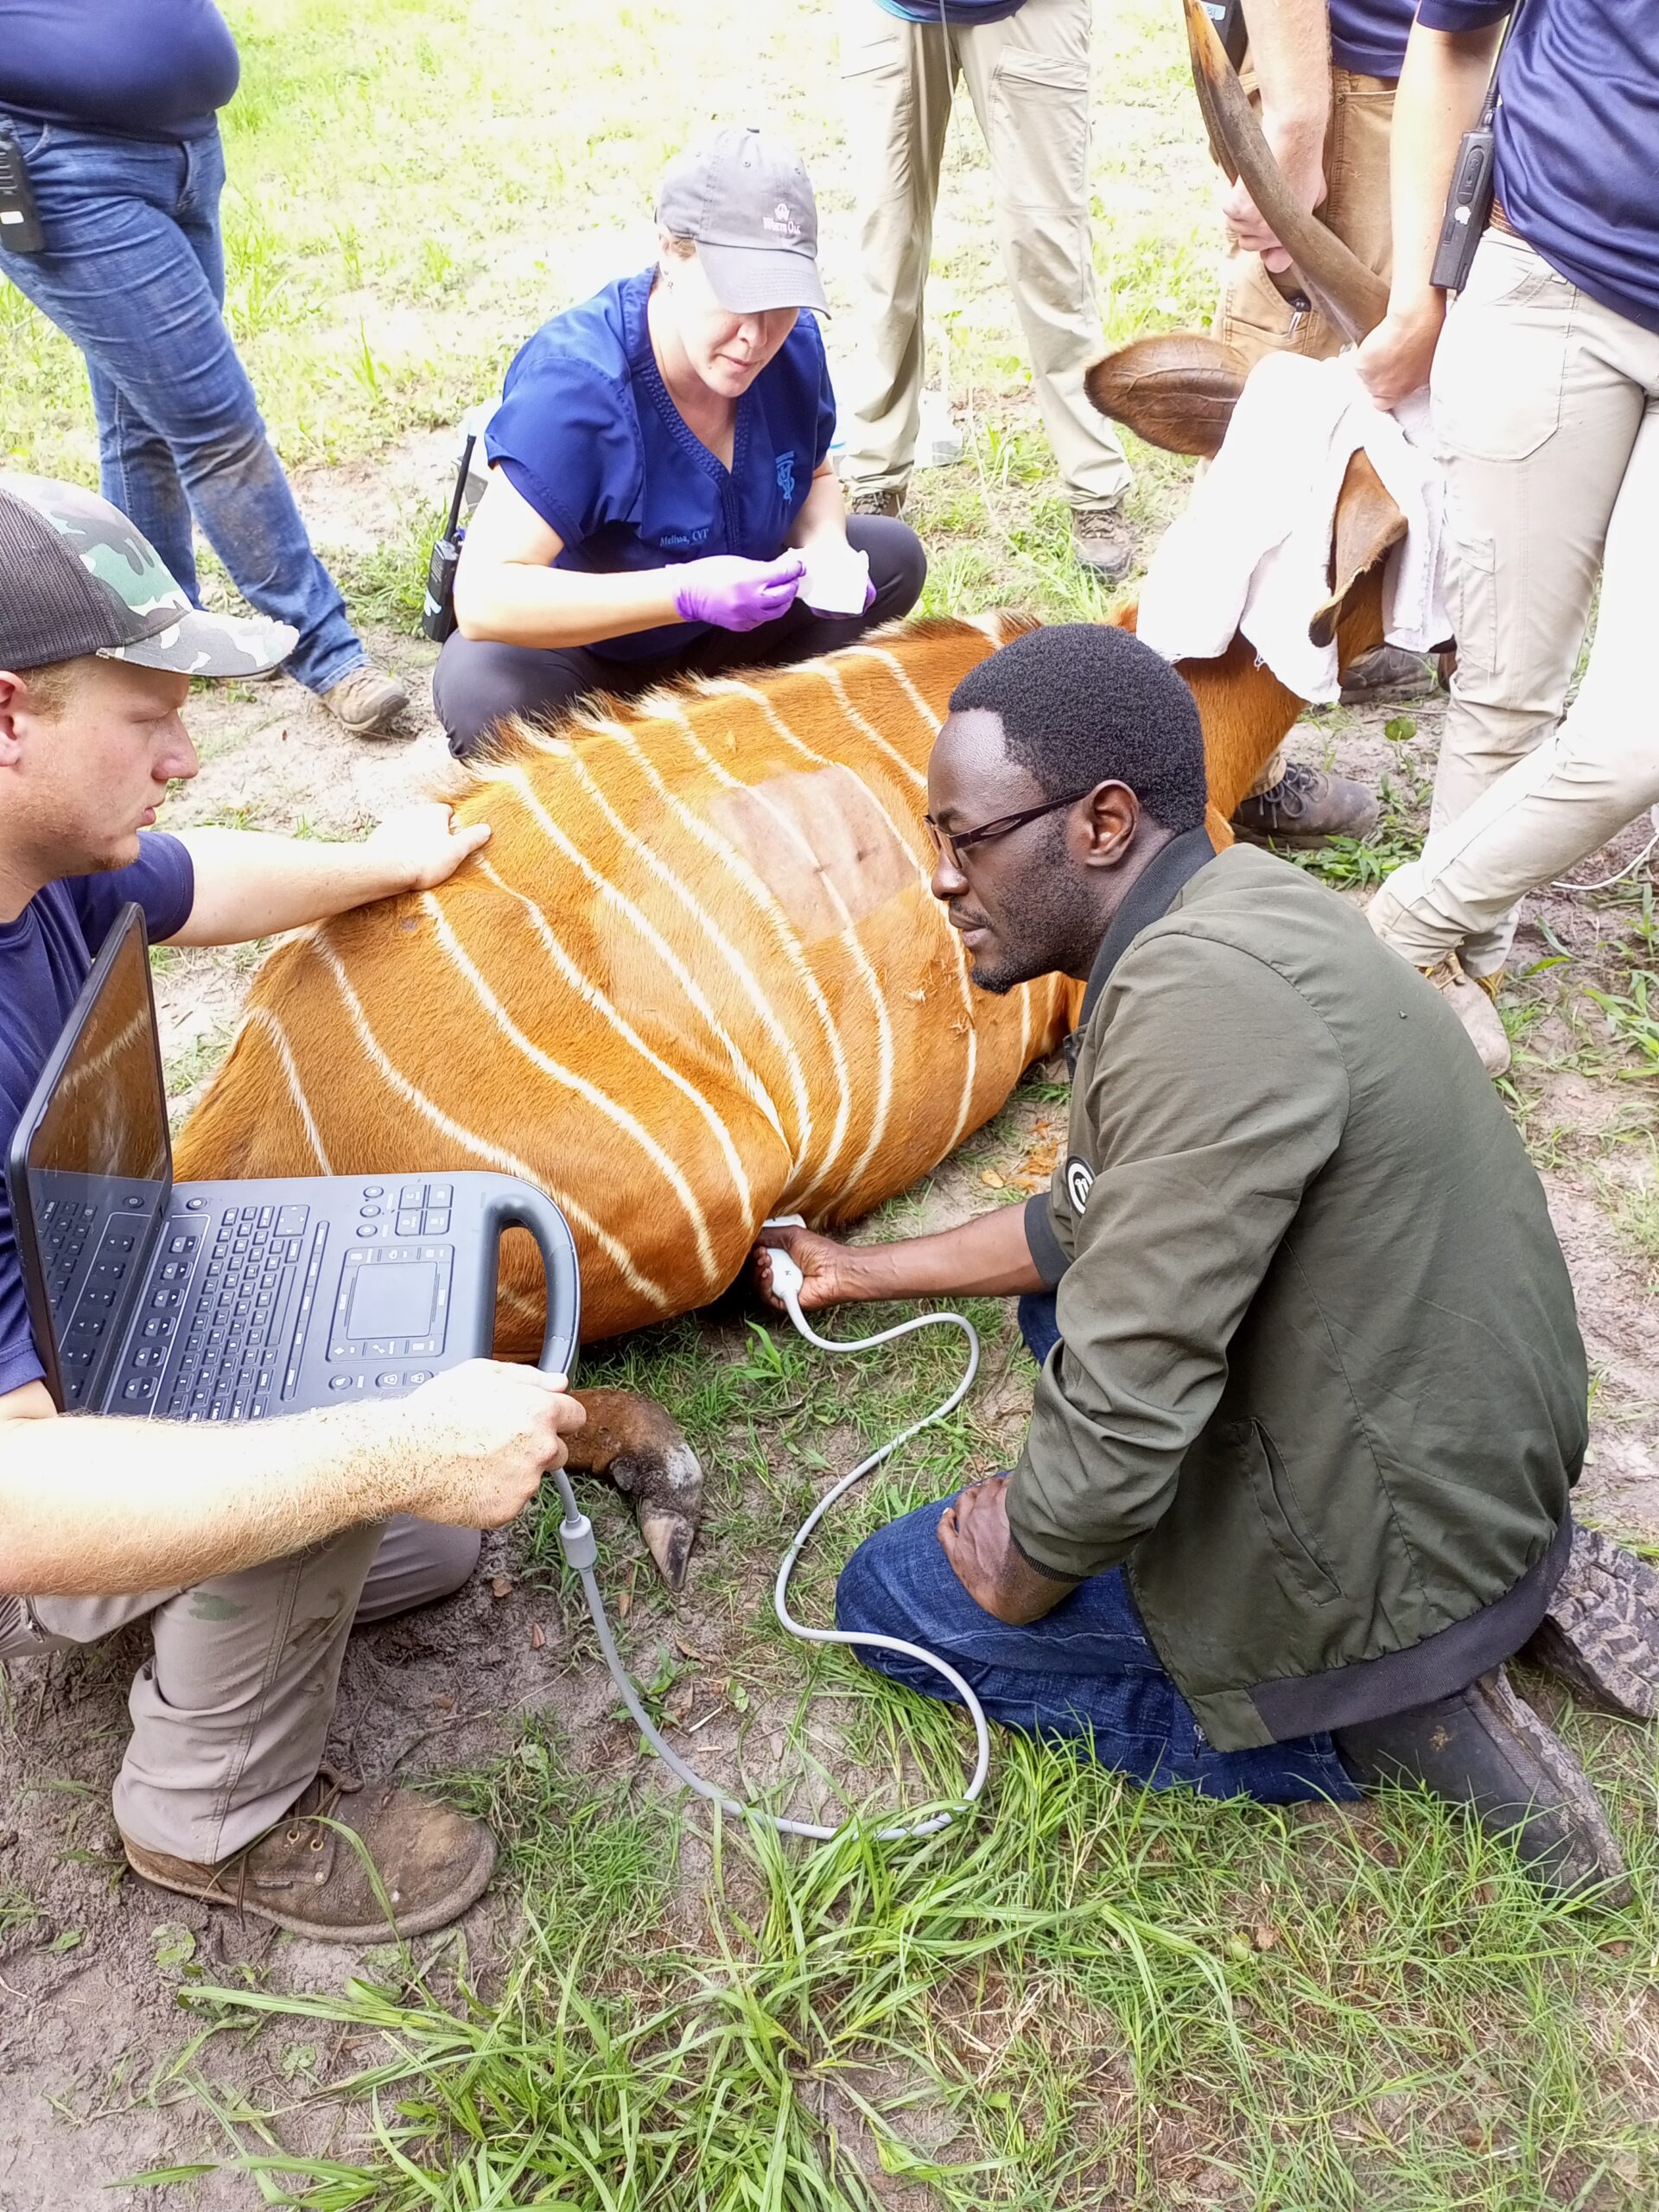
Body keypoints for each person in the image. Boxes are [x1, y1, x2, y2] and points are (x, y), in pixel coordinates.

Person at [755, 621, 1628, 1900]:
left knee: (889, 1596)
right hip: (1470, 1452)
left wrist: (1022, 1557)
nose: (941, 877)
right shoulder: (1232, 910)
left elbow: (1127, 1406)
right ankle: (1506, 1580)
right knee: (1054, 1316)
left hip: (1400, 1536)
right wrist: (860, 1271)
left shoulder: (1189, 1011)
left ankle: (1370, 1720)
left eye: (966, 837)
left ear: (1102, 823)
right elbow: (1087, 1221)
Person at [0, 474, 587, 1940]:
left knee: (412, 1516)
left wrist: (381, 862)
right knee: (339, 1418)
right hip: (28, 1471)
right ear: (9, 718)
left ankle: (186, 1568)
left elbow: (189, 882)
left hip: (82, 1337)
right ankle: (206, 1809)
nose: (188, 760)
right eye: (148, 725)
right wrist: (379, 1440)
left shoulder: (44, 860)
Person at [1357, 2, 1659, 1078]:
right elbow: (1451, 38)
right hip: (1549, 283)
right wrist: (1420, 295)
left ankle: (1393, 929)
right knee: (1504, 686)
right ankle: (1455, 966)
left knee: (1637, 737)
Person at [433, 129, 926, 759]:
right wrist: (682, 591)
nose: (755, 337)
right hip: (593, 659)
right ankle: (630, 752)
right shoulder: (580, 384)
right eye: (736, 297)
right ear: (670, 252)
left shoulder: (791, 347)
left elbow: (815, 476)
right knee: (485, 689)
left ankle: (743, 732)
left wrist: (826, 546)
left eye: (779, 302)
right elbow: (483, 595)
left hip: (725, 637)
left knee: (891, 559)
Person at [0, 0, 408, 737]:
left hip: (184, 144)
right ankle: (328, 653)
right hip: (61, 166)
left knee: (145, 418)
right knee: (214, 425)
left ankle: (156, 636)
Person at [835, 0, 1136, 581]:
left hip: (1031, 12)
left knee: (1047, 249)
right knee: (886, 245)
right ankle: (875, 477)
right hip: (890, 13)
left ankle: (1095, 487)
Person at [1217, 0, 1422, 845]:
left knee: (1394, 396)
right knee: (1288, 416)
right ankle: (1225, 770)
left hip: (1429, 81)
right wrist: (1297, 130)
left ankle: (1352, 630)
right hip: (1349, 84)